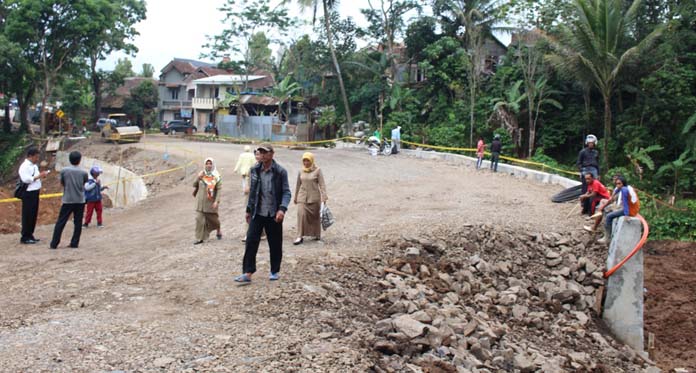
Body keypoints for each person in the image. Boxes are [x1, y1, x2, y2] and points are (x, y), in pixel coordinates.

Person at [235, 143, 291, 283]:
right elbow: (253, 192)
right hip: (257, 212)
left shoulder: (280, 171)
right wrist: (248, 210)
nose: (263, 155)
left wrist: (282, 209)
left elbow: (286, 192)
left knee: (275, 243)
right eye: (260, 152)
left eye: (265, 152)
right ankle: (248, 272)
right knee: (251, 240)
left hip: (274, 213)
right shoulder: (255, 170)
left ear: (272, 154)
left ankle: (274, 271)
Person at [50, 151, 88, 249]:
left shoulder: (64, 171)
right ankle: (75, 243)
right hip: (80, 200)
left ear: (69, 159)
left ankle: (54, 243)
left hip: (68, 199)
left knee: (61, 221)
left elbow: (62, 182)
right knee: (78, 222)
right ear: (79, 160)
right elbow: (84, 183)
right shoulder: (83, 172)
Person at [293, 152, 328, 245]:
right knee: (301, 215)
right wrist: (295, 197)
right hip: (302, 197)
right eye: (304, 160)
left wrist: (324, 197)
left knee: (315, 217)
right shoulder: (300, 171)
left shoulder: (318, 170)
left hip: (314, 197)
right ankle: (299, 236)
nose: (305, 163)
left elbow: (322, 184)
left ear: (311, 160)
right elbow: (298, 185)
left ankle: (316, 234)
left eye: (307, 160)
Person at [18, 147, 49, 244]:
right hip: (28, 192)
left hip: (35, 191)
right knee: (27, 214)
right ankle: (25, 236)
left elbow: (35, 177)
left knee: (33, 214)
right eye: (36, 157)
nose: (37, 159)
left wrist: (41, 176)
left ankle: (30, 233)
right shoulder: (24, 166)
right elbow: (26, 179)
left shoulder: (34, 166)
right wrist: (38, 177)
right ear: (30, 156)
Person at [598, 176, 640, 244]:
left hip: (630, 210)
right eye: (617, 183)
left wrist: (626, 214)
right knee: (609, 210)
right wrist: (613, 195)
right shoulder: (626, 187)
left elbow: (625, 203)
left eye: (619, 183)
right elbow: (617, 189)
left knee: (609, 216)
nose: (617, 185)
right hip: (633, 208)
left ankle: (607, 238)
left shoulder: (624, 190)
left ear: (623, 183)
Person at [193, 158, 222, 244]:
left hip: (210, 203)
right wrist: (198, 178)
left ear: (213, 165)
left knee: (215, 221)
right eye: (207, 164)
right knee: (199, 219)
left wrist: (216, 201)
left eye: (210, 164)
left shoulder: (216, 176)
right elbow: (194, 185)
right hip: (200, 203)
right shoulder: (201, 174)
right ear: (204, 165)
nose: (209, 165)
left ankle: (218, 229)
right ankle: (200, 238)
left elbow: (219, 189)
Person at [577, 134, 600, 215]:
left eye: (592, 143)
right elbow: (579, 163)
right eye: (589, 142)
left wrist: (598, 173)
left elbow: (597, 164)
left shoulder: (596, 152)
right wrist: (582, 171)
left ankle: (592, 209)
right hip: (585, 170)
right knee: (585, 189)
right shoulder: (582, 152)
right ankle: (584, 208)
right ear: (587, 142)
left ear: (594, 143)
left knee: (594, 190)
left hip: (594, 171)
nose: (591, 144)